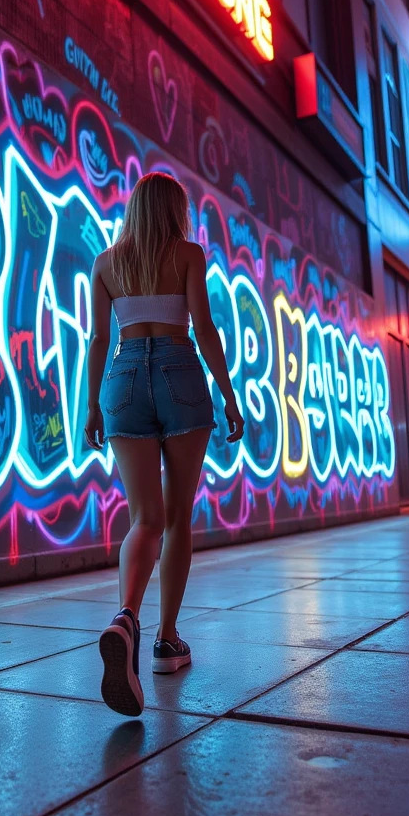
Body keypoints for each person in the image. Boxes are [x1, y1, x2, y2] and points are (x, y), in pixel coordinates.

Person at [84, 172, 244, 717]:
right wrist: (228, 395)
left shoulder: (108, 263)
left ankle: (124, 616)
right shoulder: (189, 255)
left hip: (123, 378)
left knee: (143, 519)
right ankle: (165, 640)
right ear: (175, 210)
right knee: (177, 518)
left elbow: (99, 340)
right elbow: (203, 327)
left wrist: (89, 407)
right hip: (180, 373)